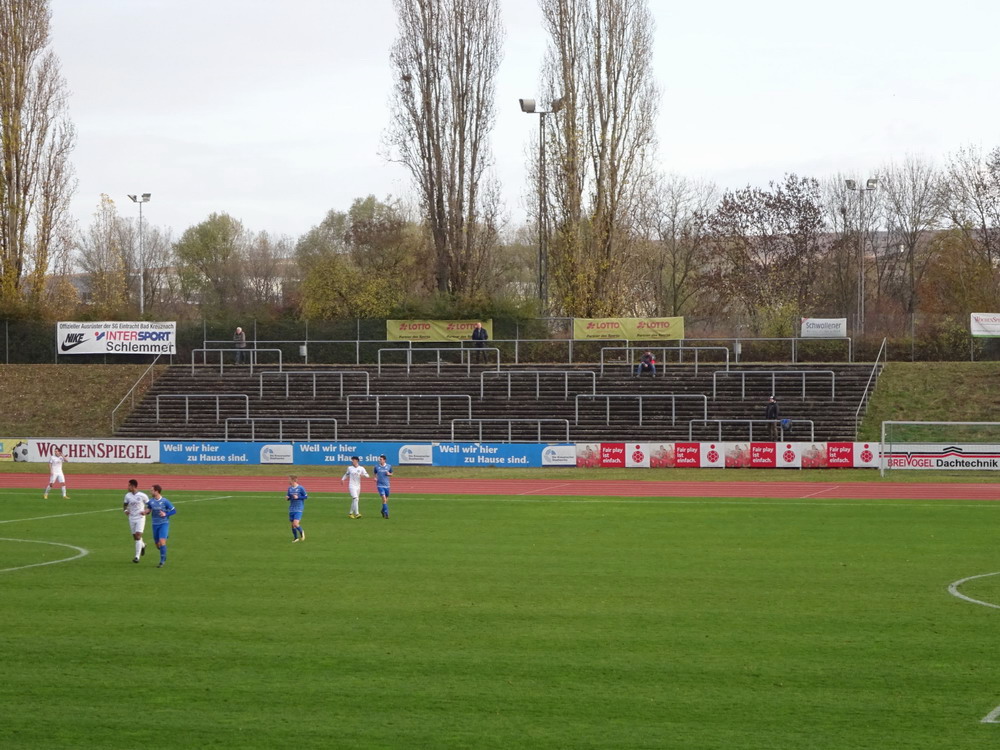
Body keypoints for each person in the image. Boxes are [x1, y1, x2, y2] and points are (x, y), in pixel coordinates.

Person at [148, 484, 177, 568]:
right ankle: (163, 553)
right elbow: (149, 509)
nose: (150, 492)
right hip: (155, 524)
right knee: (157, 545)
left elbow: (174, 511)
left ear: (156, 491)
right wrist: (145, 512)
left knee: (162, 541)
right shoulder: (151, 501)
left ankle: (162, 561)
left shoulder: (165, 501)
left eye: (152, 490)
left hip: (164, 524)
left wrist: (165, 514)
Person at [122, 479, 149, 563]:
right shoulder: (127, 496)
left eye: (129, 485)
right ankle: (143, 545)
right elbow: (125, 505)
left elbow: (149, 506)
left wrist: (146, 512)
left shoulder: (143, 495)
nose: (127, 487)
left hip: (140, 518)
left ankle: (137, 557)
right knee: (135, 537)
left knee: (138, 536)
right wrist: (125, 511)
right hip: (131, 518)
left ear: (133, 486)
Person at [287, 475, 308, 542]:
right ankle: (296, 538)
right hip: (291, 508)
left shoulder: (300, 488)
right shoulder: (289, 488)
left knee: (295, 524)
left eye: (289, 480)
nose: (288, 481)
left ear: (293, 480)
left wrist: (298, 497)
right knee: (293, 525)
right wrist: (288, 498)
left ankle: (301, 531)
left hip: (299, 508)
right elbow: (289, 496)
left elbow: (306, 496)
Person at [373, 454, 393, 519]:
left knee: (386, 500)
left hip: (387, 485)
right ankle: (386, 513)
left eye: (381, 459)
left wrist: (389, 474)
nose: (380, 460)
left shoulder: (389, 466)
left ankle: (382, 510)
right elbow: (375, 473)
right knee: (384, 499)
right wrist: (375, 478)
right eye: (380, 459)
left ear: (384, 460)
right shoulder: (376, 466)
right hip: (380, 485)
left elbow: (391, 474)